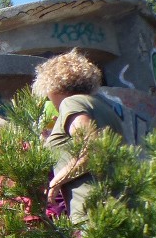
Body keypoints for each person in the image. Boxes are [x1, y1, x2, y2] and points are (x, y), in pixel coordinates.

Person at [32, 49, 126, 222]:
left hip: (93, 210)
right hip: (117, 203)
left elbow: (91, 149)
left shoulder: (71, 103)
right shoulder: (102, 105)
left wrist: (55, 183)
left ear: (52, 84)